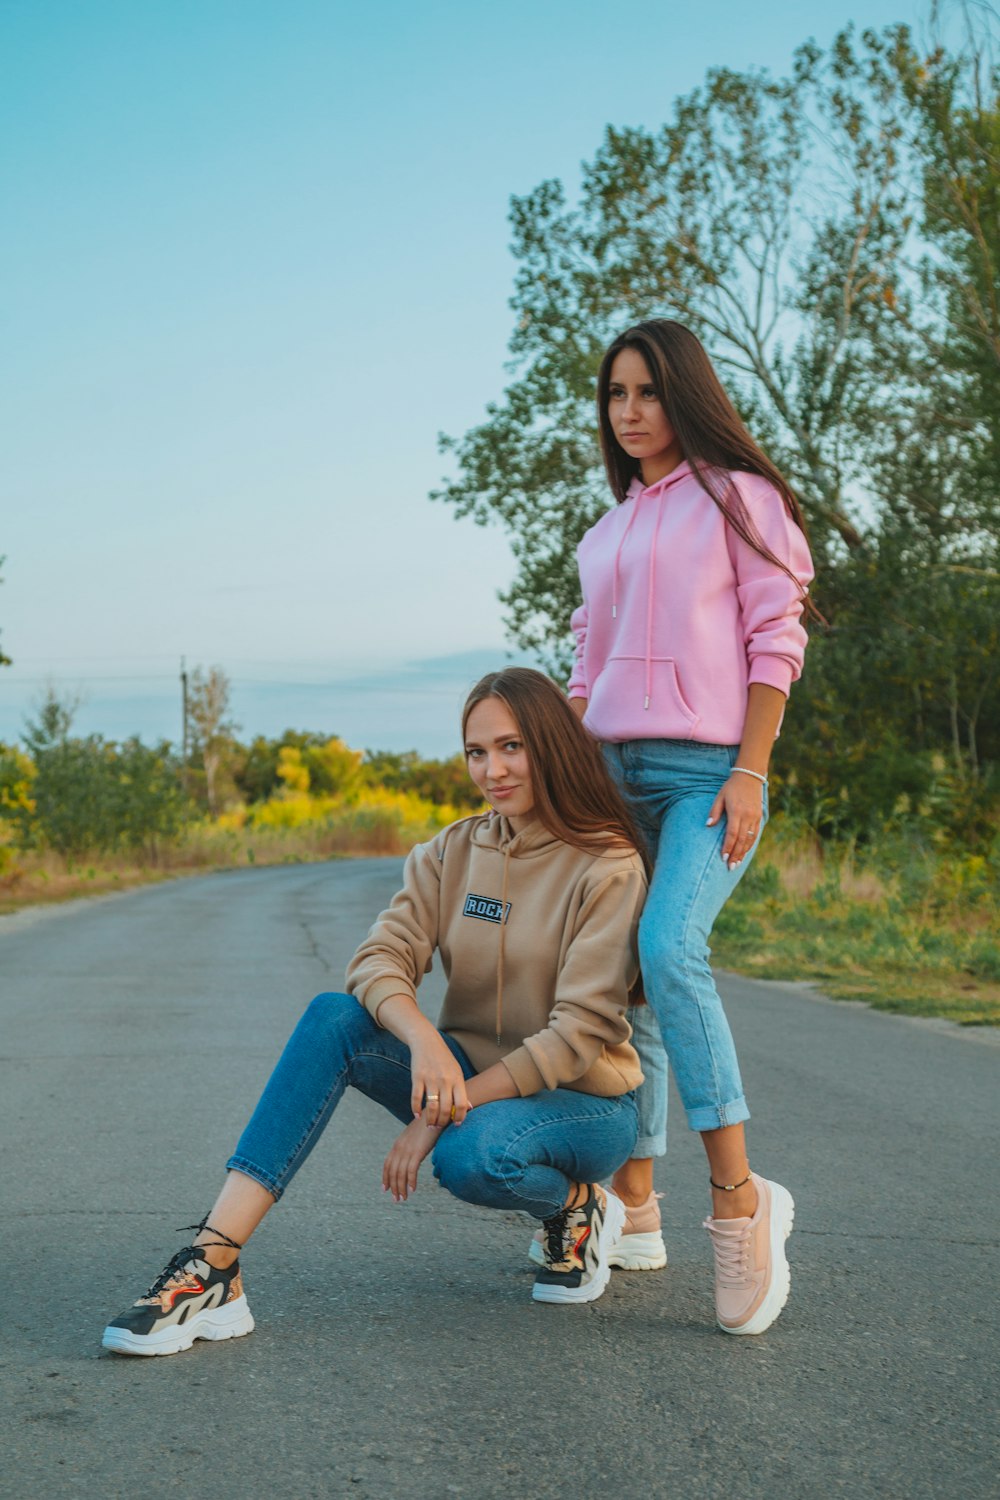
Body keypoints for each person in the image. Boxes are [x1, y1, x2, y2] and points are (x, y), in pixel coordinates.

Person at [102, 668, 649, 1357]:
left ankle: (577, 1206)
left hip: (584, 1107)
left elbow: (575, 1037)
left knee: (475, 1154)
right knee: (334, 1016)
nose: (492, 770)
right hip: (466, 1076)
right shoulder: (453, 850)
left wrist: (433, 1116)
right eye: (476, 752)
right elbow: (378, 959)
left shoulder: (608, 864)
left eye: (511, 747)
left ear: (552, 746)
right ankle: (213, 1266)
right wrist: (422, 1038)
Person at [565, 319, 815, 1336]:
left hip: (707, 774)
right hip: (609, 774)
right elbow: (585, 667)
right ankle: (635, 1207)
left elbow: (775, 638)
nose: (630, 413)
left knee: (671, 950)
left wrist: (750, 767)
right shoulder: (607, 529)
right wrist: (564, 785)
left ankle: (740, 1202)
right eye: (616, 395)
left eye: (648, 393)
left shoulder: (738, 499)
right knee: (622, 988)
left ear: (686, 395)